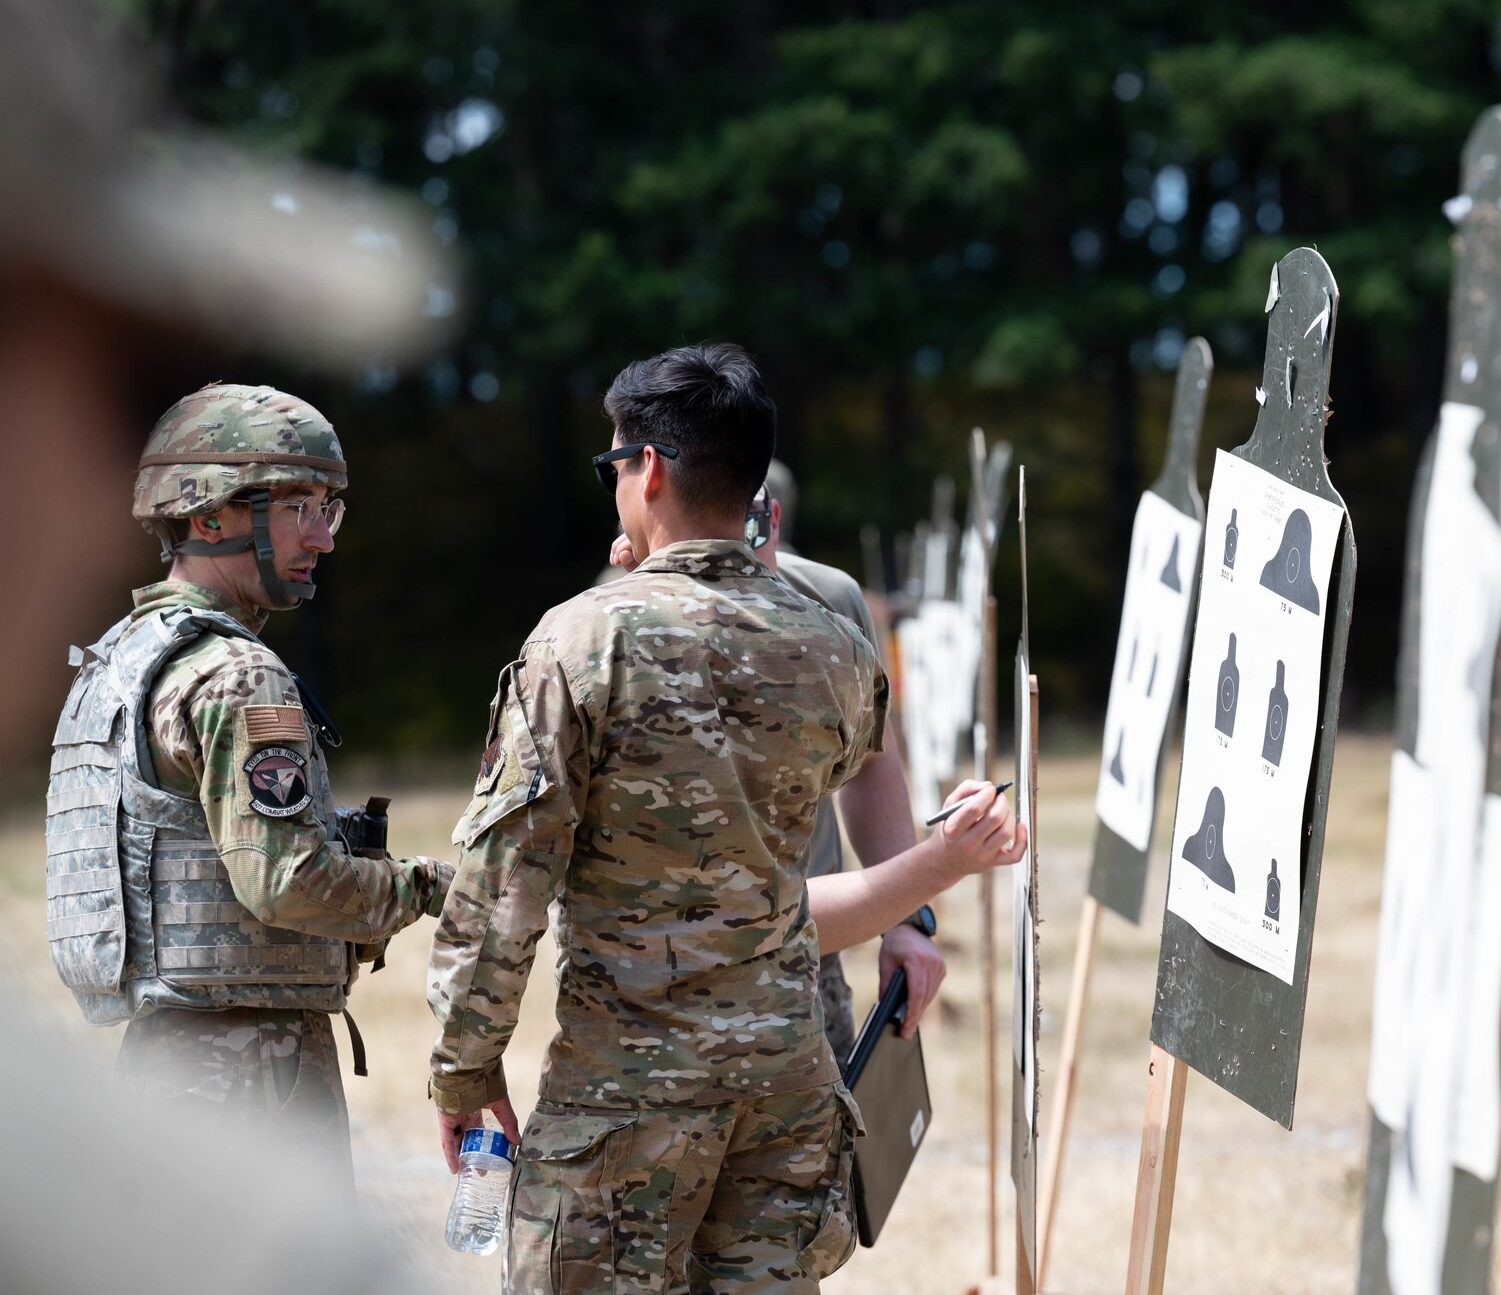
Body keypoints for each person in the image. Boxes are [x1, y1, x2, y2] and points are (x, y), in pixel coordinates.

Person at [429, 344, 1022, 1293]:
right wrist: (915, 911)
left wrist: (466, 1068)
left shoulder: (582, 640)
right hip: (785, 1085)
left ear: (649, 470)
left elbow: (503, 892)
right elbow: (874, 768)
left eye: (613, 465)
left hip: (627, 1090)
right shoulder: (832, 640)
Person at [45, 384, 458, 1186]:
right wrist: (431, 886)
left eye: (327, 508)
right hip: (254, 1077)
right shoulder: (239, 676)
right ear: (210, 517)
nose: (323, 538)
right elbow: (288, 884)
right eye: (298, 506)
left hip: (165, 1064)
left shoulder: (121, 658)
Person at [611, 463, 945, 1060]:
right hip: (659, 989)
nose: (740, 575)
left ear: (773, 521)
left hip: (807, 969)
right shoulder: (608, 616)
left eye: (754, 539)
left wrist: (905, 919)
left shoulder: (830, 601)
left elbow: (872, 760)